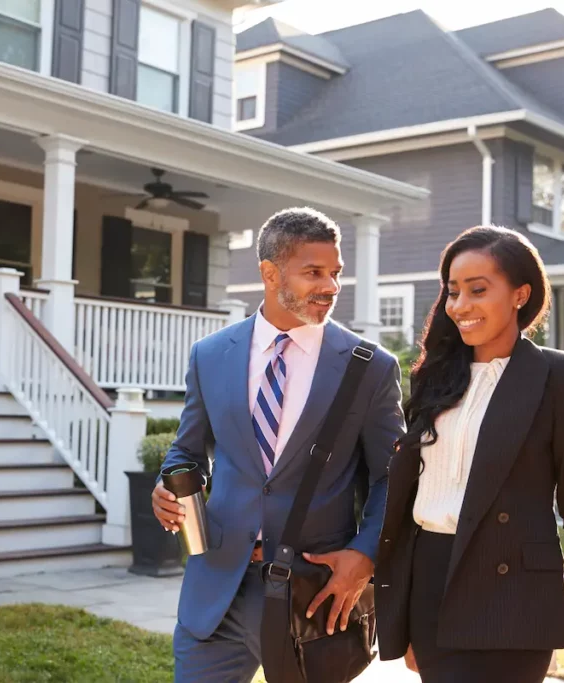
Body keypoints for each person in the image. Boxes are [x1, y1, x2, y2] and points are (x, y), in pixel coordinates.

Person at [152, 207, 405, 682]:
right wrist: (168, 486)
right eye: (314, 272)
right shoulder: (210, 355)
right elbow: (188, 450)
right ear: (270, 273)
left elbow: (392, 477)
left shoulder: (369, 366)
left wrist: (366, 555)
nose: (330, 286)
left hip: (315, 597)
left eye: (335, 273)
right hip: (218, 592)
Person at [375, 225, 564, 683]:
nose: (460, 306)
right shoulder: (435, 378)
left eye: (478, 289)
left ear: (520, 294)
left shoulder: (560, 378)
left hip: (511, 601)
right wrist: (406, 612)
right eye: (452, 292)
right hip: (432, 587)